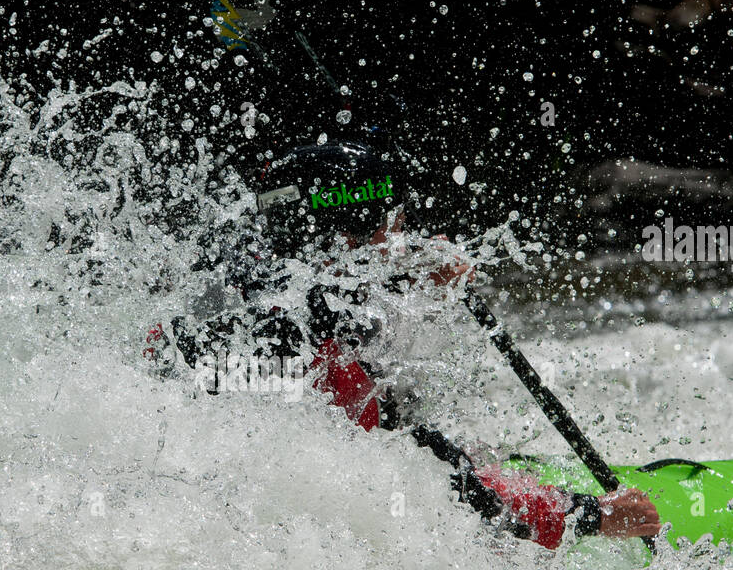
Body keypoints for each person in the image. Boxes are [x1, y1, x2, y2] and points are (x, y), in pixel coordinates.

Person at [146, 140, 661, 549]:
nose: (402, 237)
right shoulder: (313, 349)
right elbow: (445, 487)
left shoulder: (229, 287)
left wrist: (408, 270)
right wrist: (600, 516)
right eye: (389, 227)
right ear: (346, 235)